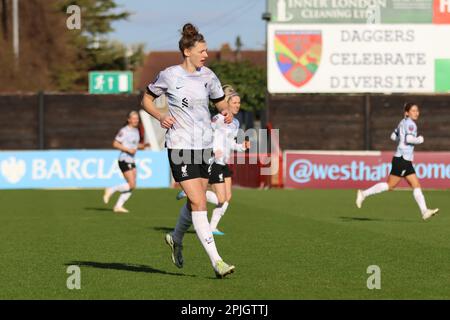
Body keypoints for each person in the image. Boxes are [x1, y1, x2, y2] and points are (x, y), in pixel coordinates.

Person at [141, 23, 235, 278]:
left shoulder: (209, 76)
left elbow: (219, 102)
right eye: (202, 51)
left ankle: (175, 237)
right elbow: (146, 99)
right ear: (187, 51)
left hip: (204, 145)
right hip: (180, 146)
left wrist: (225, 110)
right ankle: (217, 262)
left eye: (206, 51)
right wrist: (160, 115)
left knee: (198, 200)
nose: (205, 55)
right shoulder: (169, 75)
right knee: (198, 201)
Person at [176, 85, 250, 236]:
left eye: (239, 103)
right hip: (215, 160)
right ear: (227, 104)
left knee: (227, 198)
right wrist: (210, 149)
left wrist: (242, 147)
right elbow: (204, 133)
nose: (237, 105)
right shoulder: (218, 119)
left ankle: (212, 227)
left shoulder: (235, 123)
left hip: (224, 162)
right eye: (234, 102)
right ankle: (189, 193)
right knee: (220, 198)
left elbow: (230, 143)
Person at [356, 102, 439, 220]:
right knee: (390, 186)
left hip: (405, 159)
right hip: (402, 159)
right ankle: (363, 194)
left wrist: (402, 140)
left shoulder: (402, 122)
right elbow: (409, 138)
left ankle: (424, 211)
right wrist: (419, 139)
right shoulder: (411, 125)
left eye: (417, 110)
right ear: (407, 112)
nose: (416, 113)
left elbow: (393, 136)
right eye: (413, 110)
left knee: (416, 184)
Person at [103, 111, 148, 213]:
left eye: (137, 118)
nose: (136, 120)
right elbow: (115, 143)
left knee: (132, 185)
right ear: (129, 119)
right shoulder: (124, 130)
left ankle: (118, 206)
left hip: (131, 159)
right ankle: (111, 189)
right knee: (131, 184)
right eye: (134, 118)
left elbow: (134, 145)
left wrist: (143, 146)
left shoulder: (136, 130)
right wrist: (127, 150)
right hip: (124, 159)